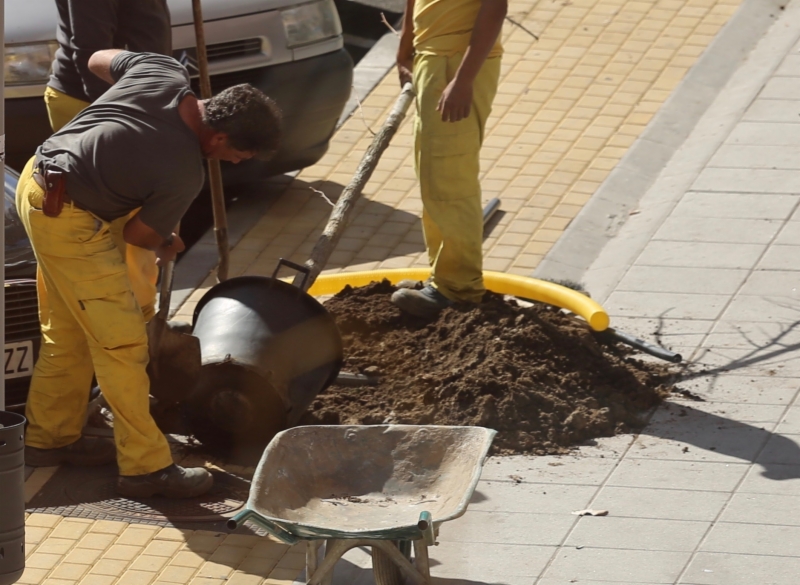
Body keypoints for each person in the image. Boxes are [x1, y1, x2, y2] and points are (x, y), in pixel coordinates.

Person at [18, 49, 281, 498]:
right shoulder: (182, 171)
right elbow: (140, 234)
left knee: (69, 331)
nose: (236, 164)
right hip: (70, 220)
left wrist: (118, 125)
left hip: (37, 182)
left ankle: (49, 438)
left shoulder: (162, 70)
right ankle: (145, 467)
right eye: (239, 155)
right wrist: (165, 240)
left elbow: (99, 59)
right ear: (218, 138)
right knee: (122, 346)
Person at [44, 0, 172, 321]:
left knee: (135, 220)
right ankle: (128, 321)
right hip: (99, 100)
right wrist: (121, 113)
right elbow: (91, 49)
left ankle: (139, 315)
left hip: (137, 96)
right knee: (121, 227)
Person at [390, 0, 507, 318]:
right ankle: (442, 277)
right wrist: (406, 49)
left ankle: (458, 289)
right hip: (433, 58)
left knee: (451, 177)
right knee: (432, 174)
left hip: (456, 63)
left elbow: (495, 6)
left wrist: (464, 80)